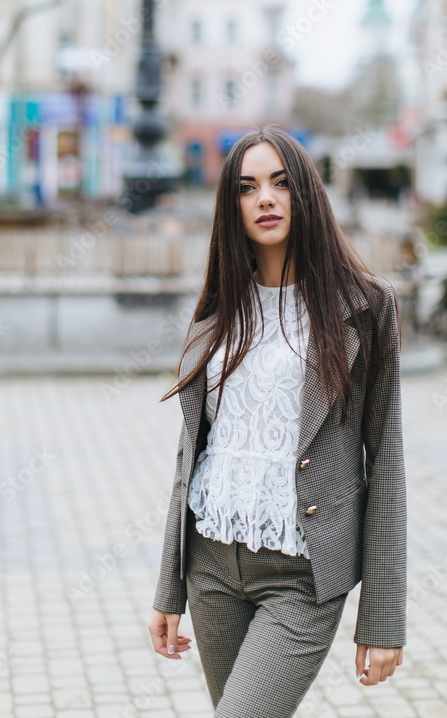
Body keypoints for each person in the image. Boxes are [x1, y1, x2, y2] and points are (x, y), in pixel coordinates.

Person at [148, 125, 406, 718]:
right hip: (210, 569)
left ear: (305, 195)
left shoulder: (366, 307)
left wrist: (384, 617)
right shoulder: (216, 314)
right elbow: (190, 459)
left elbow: (386, 461)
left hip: (303, 576)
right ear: (231, 206)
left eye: (280, 183)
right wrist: (169, 589)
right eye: (247, 187)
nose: (265, 198)